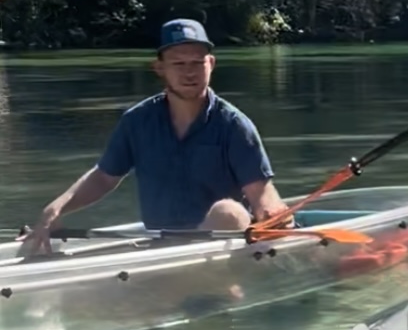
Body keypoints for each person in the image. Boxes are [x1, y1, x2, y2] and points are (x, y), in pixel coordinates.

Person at [19, 18, 288, 257]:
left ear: (211, 64)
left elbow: (261, 193)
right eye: (179, 63)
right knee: (39, 259)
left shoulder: (234, 125)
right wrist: (54, 210)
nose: (189, 72)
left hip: (222, 247)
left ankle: (215, 288)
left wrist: (272, 214)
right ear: (159, 68)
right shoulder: (137, 121)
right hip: (161, 248)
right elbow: (103, 177)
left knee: (228, 213)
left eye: (197, 62)